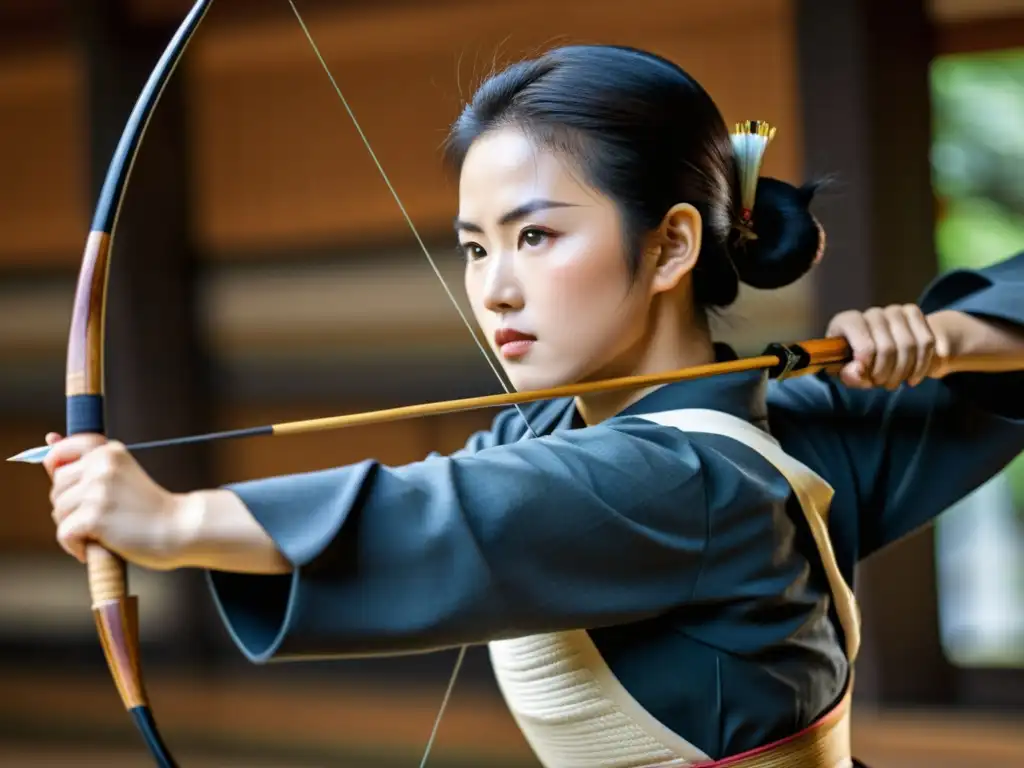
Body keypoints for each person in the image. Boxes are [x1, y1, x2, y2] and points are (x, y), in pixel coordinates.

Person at [44, 45, 1024, 766]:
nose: (495, 289)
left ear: (673, 246)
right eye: (476, 248)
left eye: (536, 237)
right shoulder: (585, 432)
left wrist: (172, 520)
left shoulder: (695, 479)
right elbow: (502, 486)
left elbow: (460, 512)